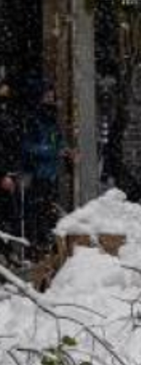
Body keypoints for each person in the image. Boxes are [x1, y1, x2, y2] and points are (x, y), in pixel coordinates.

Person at [21, 84, 64, 255]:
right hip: (37, 175)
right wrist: (52, 151)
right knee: (36, 216)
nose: (51, 101)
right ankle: (35, 250)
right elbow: (28, 147)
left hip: (51, 175)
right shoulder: (33, 120)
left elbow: (57, 141)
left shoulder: (52, 120)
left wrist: (65, 150)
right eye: (47, 97)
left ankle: (47, 249)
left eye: (52, 98)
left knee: (50, 213)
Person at [0, 79, 23, 256]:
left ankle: (8, 254)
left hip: (10, 170)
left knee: (12, 217)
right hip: (4, 174)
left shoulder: (10, 114)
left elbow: (12, 144)